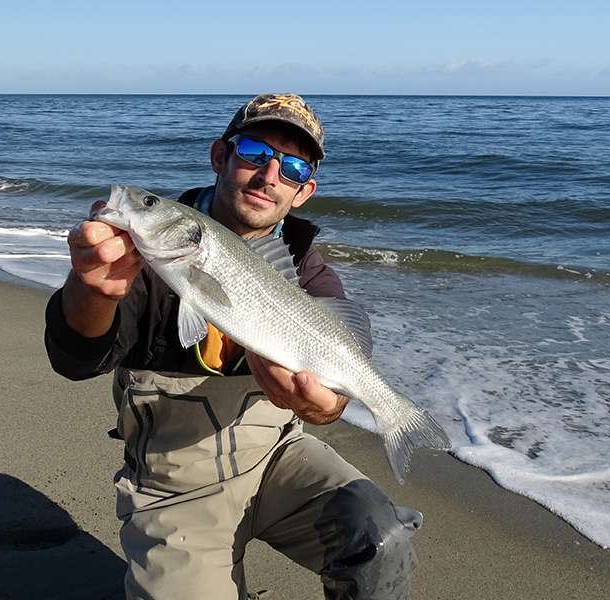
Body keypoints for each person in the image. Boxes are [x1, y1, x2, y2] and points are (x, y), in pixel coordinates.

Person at [45, 93, 422, 600]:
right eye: (254, 151)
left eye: (291, 168)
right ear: (220, 156)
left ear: (303, 191)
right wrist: (92, 290)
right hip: (174, 483)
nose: (270, 175)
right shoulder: (143, 259)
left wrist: (328, 405)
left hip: (275, 457)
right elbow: (74, 357)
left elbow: (339, 377)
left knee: (383, 537)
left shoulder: (309, 270)